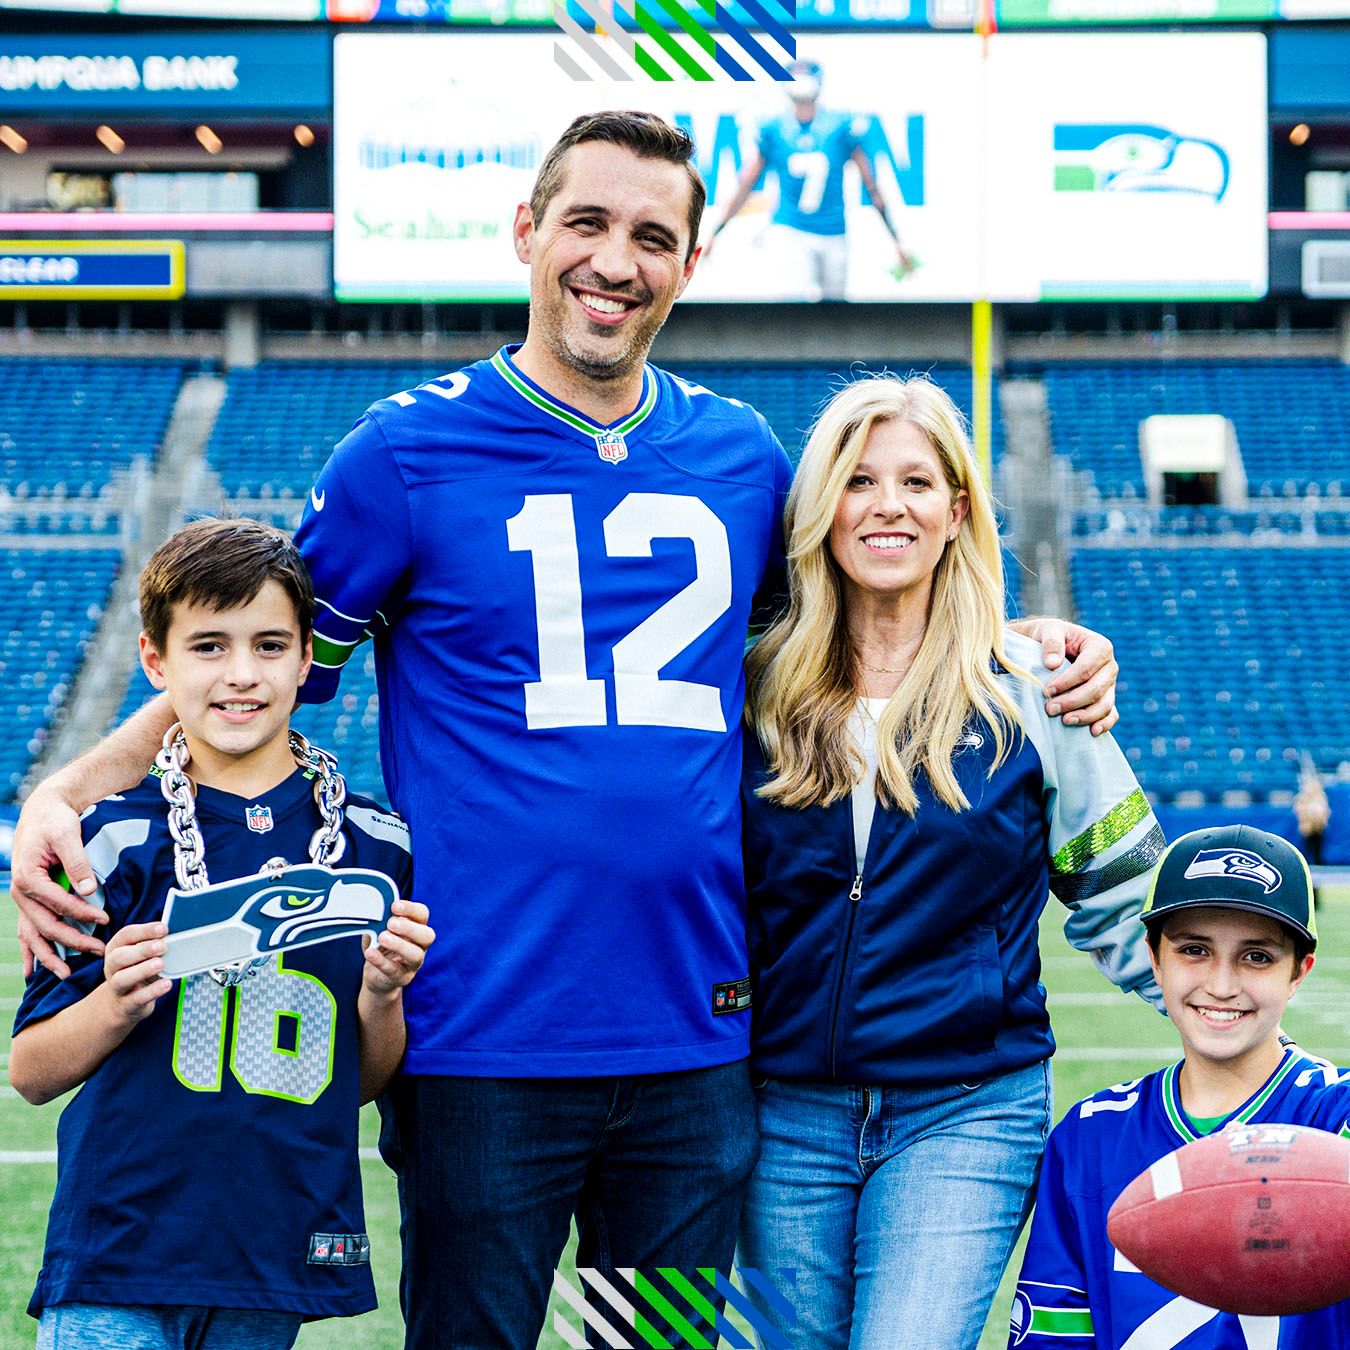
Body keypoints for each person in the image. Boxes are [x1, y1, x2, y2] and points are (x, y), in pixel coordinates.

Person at [12, 113, 1119, 1349]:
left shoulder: (741, 457)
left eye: (653, 236)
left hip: (695, 1053)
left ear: (687, 266)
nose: (615, 259)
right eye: (587, 223)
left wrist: (1029, 645)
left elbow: (854, 628)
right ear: (529, 231)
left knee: (651, 1344)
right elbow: (246, 665)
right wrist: (66, 790)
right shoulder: (404, 454)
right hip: (482, 1041)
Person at [737, 375, 1165, 1350]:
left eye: (917, 482)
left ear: (956, 509)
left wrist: (1242, 1031)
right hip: (775, 1109)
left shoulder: (1035, 690)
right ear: (821, 510)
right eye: (859, 480)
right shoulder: (748, 690)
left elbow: (1131, 897)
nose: (888, 504)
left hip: (966, 1110)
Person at [8, 517, 434, 1349]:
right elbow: (29, 1073)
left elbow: (366, 1080)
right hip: (122, 1244)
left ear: (309, 658)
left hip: (271, 1245)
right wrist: (115, 1006)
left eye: (270, 645)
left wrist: (383, 997)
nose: (242, 674)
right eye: (209, 646)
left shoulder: (378, 844)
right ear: (156, 662)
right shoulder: (109, 839)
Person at [1009, 824, 1349, 1348]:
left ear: (1298, 972)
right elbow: (1056, 1334)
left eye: (1257, 956)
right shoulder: (1091, 1136)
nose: (1221, 984)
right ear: (1153, 955)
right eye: (1194, 950)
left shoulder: (1336, 1114)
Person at [704, 58, 913, 301]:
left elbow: (871, 186)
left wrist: (896, 240)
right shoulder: (774, 129)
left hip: (833, 231)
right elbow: (746, 185)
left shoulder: (840, 127)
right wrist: (715, 232)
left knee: (835, 314)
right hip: (791, 229)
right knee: (792, 307)